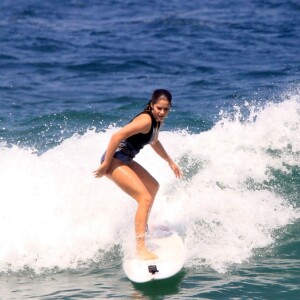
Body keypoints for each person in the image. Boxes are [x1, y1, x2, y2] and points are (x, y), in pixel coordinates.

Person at [93, 89, 182, 260]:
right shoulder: (146, 121)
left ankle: (144, 227)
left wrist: (170, 161)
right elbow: (116, 136)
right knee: (145, 198)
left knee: (153, 186)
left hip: (125, 159)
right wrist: (105, 164)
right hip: (114, 160)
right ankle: (140, 249)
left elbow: (154, 141)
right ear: (151, 105)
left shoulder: (157, 121)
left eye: (166, 109)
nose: (162, 112)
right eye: (159, 108)